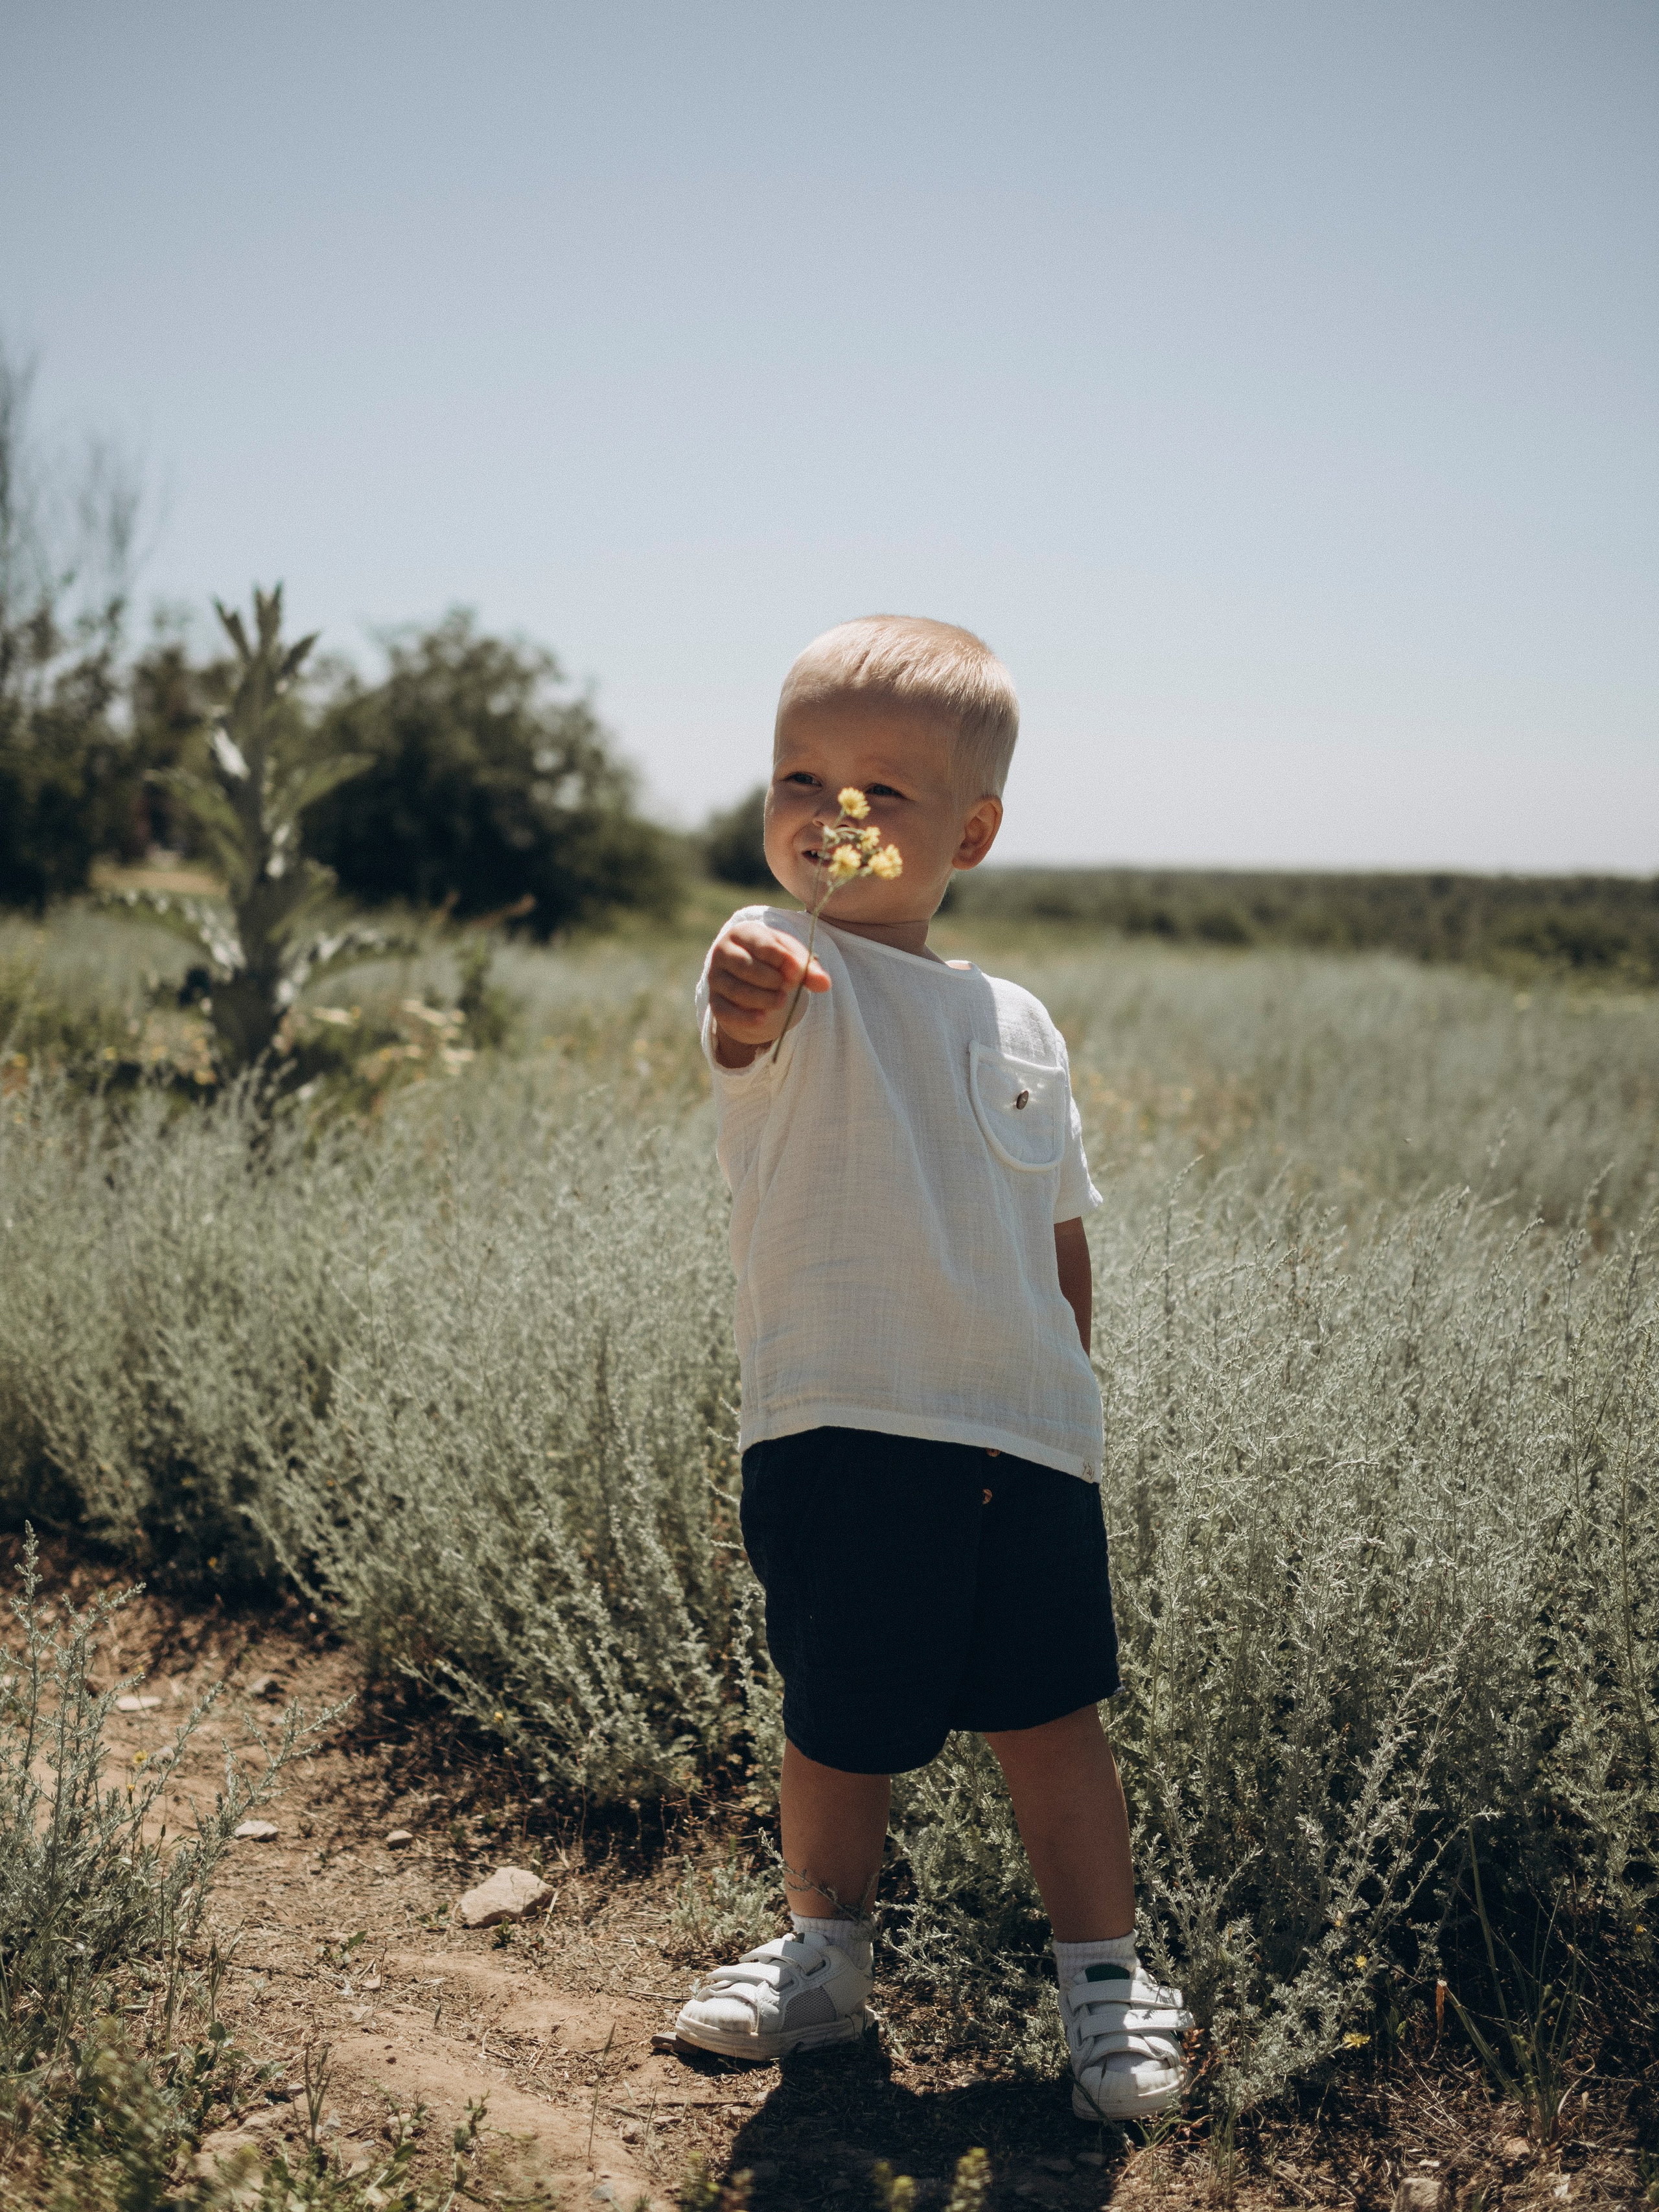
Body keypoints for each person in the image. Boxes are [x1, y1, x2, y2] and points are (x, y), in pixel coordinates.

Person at [675, 616, 1190, 2120]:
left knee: (1051, 1720)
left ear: (971, 833)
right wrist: (743, 987)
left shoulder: (1017, 1021)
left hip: (1021, 1434)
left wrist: (1069, 1396)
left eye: (879, 791)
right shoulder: (784, 966)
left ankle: (1106, 1981)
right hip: (840, 1420)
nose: (827, 812)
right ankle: (821, 1958)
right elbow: (735, 1019)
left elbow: (1058, 1231)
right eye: (797, 776)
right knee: (837, 1718)